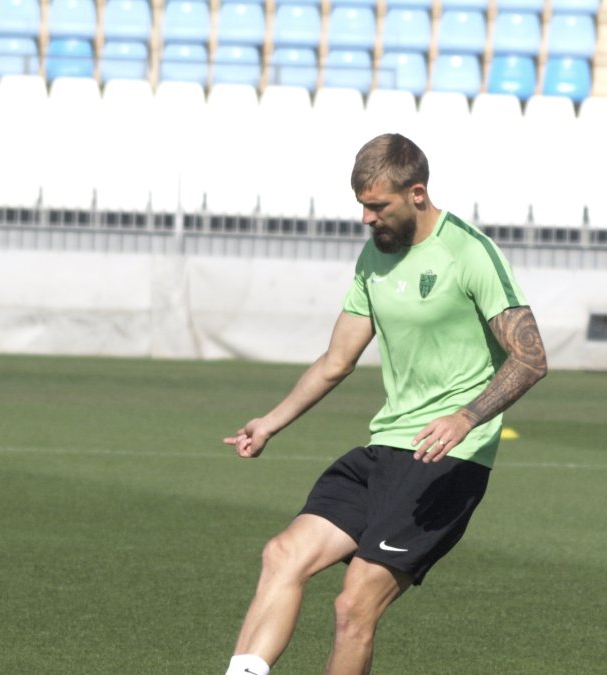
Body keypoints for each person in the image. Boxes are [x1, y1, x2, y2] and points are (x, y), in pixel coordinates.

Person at [221, 133, 548, 675]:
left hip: (447, 461)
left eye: (378, 206)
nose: (368, 219)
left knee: (353, 606)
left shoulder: (469, 252)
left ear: (417, 193)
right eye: (362, 207)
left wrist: (466, 417)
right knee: (283, 555)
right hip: (384, 450)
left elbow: (531, 358)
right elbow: (336, 360)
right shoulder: (374, 255)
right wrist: (270, 423)